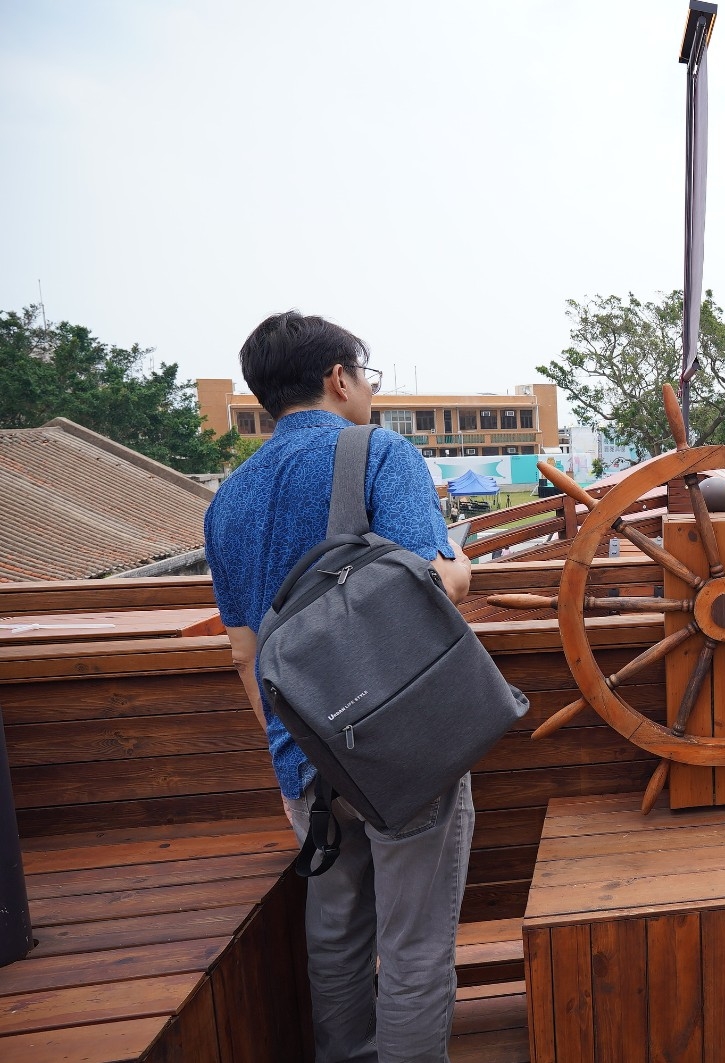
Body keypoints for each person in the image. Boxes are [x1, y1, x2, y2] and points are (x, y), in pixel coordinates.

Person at [204, 312, 475, 1063]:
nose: (369, 390)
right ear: (338, 378)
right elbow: (435, 584)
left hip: (302, 750)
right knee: (415, 946)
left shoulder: (227, 500)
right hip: (399, 746)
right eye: (366, 375)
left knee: (336, 936)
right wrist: (462, 564)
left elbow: (244, 651)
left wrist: (289, 753)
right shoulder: (379, 453)